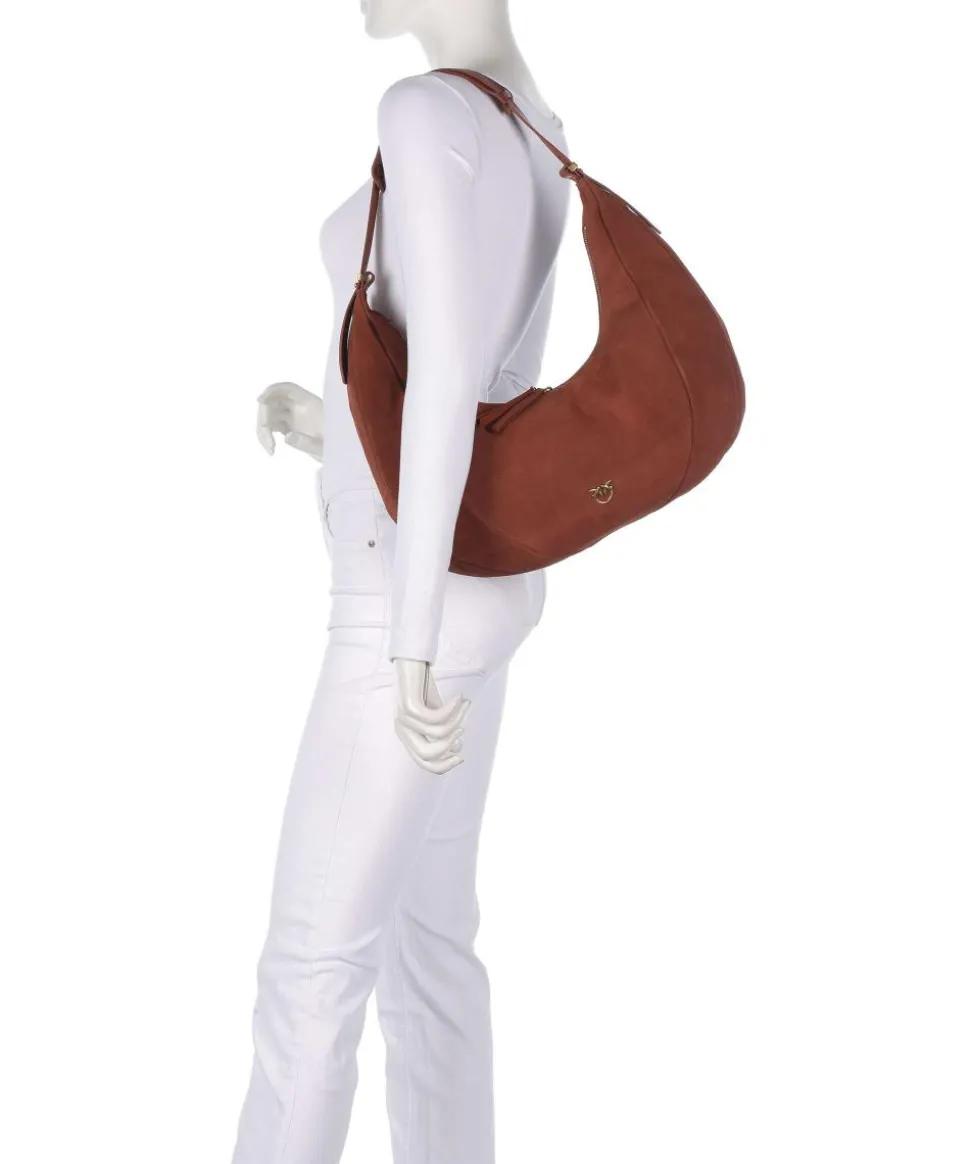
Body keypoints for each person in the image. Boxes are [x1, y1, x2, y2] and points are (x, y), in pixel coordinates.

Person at [233, 3, 570, 1160]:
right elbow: (468, 374)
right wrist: (336, 427)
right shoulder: (533, 118)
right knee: (429, 957)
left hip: (403, 606)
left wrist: (410, 641)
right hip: (474, 585)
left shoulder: (426, 112)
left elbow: (448, 385)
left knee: (310, 975)